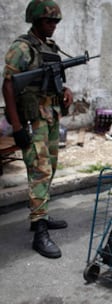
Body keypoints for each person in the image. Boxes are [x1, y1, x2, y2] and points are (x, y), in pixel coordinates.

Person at [2, 0, 73, 258]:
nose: (53, 25)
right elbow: (8, 86)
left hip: (51, 116)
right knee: (39, 170)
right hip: (34, 119)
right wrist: (17, 126)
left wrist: (66, 92)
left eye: (56, 21)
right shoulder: (22, 48)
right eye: (48, 21)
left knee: (50, 166)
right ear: (35, 20)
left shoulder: (49, 47)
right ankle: (40, 230)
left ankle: (39, 216)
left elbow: (52, 82)